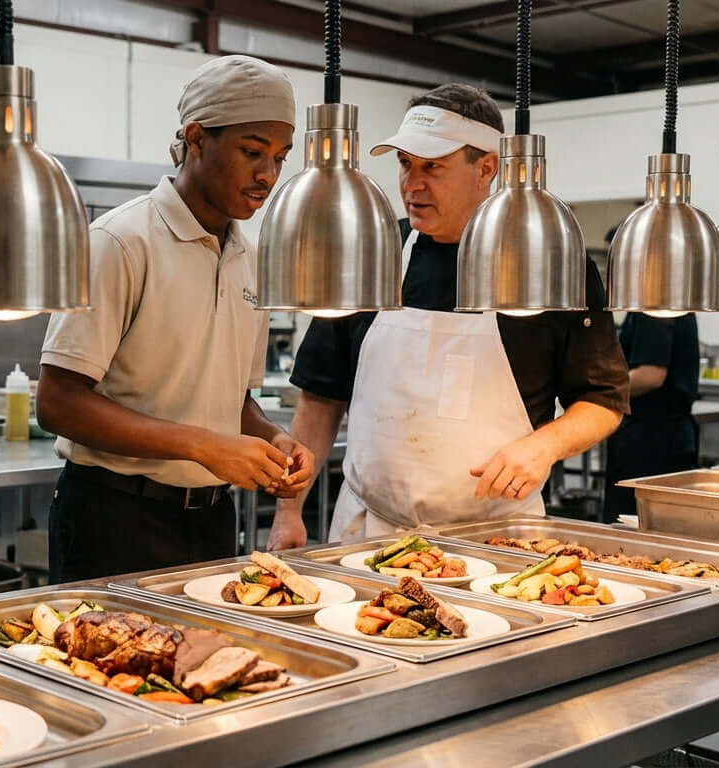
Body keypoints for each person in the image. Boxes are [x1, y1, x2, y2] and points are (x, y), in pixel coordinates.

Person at [267, 83, 630, 548]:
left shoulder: (550, 265)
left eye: (432, 167)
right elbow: (320, 397)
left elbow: (603, 400)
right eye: (405, 164)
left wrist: (543, 447)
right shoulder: (374, 250)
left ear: (487, 168)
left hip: (496, 538)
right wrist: (288, 512)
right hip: (370, 531)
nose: (411, 184)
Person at [37, 55, 316, 582]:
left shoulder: (250, 260)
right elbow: (57, 401)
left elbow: (233, 402)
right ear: (196, 139)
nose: (267, 175)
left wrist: (271, 440)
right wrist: (204, 446)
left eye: (280, 158)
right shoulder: (120, 242)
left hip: (212, 520)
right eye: (252, 152)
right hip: (114, 517)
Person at [602, 227, 701, 523]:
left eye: (614, 258)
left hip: (651, 443)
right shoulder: (667, 297)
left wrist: (599, 395)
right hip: (664, 438)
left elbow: (650, 375)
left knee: (635, 527)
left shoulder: (653, 304)